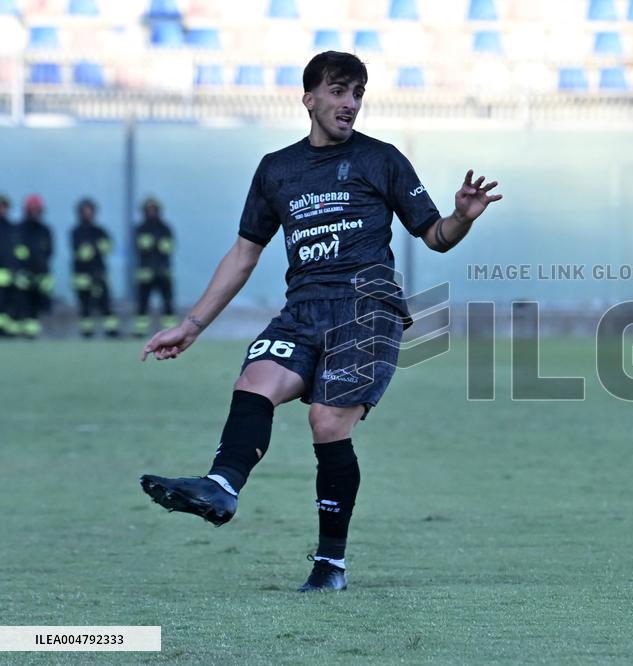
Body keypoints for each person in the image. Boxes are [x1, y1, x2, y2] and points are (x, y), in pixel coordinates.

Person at [138, 51, 502, 592]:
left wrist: (461, 219)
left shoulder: (382, 159)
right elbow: (244, 253)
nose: (349, 103)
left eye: (357, 92)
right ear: (309, 98)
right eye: (338, 91)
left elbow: (435, 236)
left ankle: (331, 565)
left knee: (327, 423)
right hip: (303, 309)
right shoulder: (276, 169)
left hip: (367, 308)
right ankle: (221, 487)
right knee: (254, 382)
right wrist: (191, 325)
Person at [70, 198, 119, 338]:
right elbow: (82, 254)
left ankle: (111, 331)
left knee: (106, 304)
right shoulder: (76, 231)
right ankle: (86, 332)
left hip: (99, 273)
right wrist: (96, 247)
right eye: (85, 211)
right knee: (85, 306)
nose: (87, 213)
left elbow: (108, 247)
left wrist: (92, 248)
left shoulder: (100, 230)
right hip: (82, 276)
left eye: (89, 210)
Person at [132, 196, 176, 337]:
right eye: (148, 209)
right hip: (146, 274)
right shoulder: (140, 228)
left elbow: (168, 247)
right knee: (142, 304)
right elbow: (141, 245)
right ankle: (140, 331)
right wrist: (156, 243)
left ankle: (171, 332)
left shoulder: (165, 228)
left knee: (168, 303)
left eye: (154, 209)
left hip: (163, 273)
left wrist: (153, 243)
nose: (151, 212)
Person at [16, 194, 53, 340]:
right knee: (21, 303)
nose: (34, 212)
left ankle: (32, 333)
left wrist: (43, 272)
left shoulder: (45, 230)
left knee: (37, 306)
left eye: (37, 209)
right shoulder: (19, 229)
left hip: (40, 273)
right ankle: (16, 331)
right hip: (23, 273)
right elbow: (15, 250)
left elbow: (49, 251)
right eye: (32, 209)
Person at [0, 194, 16, 337]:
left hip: (10, 276)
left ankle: (7, 331)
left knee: (9, 305)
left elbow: (16, 253)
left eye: (4, 206)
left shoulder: (12, 229)